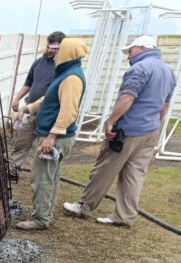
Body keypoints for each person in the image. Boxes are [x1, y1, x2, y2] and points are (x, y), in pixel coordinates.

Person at [63, 35, 176, 227]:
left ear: (142, 47)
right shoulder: (168, 71)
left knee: (104, 169)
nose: (128, 56)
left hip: (128, 130)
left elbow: (128, 98)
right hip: (150, 131)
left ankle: (84, 206)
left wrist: (111, 121)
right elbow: (165, 104)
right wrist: (154, 122)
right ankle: (124, 217)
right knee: (134, 175)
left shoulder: (139, 68)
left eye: (130, 51)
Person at [16, 37, 88, 231]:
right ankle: (44, 212)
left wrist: (51, 137)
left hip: (55, 138)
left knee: (42, 177)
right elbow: (48, 99)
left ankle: (40, 218)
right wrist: (28, 108)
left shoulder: (72, 78)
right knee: (50, 176)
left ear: (68, 53)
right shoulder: (64, 73)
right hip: (52, 134)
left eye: (59, 50)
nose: (55, 53)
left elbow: (68, 111)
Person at [9, 31, 66, 169]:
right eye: (48, 46)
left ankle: (41, 175)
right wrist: (17, 99)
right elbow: (28, 83)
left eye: (54, 48)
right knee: (21, 142)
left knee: (43, 148)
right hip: (29, 110)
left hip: (48, 114)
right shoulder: (38, 63)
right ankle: (12, 170)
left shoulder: (62, 68)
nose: (49, 50)